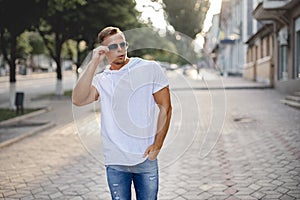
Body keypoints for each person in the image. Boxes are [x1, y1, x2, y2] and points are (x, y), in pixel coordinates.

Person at [72, 26, 172, 200]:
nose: (119, 50)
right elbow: (78, 100)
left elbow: (166, 107)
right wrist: (94, 61)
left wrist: (158, 145)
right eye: (113, 47)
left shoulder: (149, 68)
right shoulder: (102, 79)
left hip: (145, 158)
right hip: (115, 161)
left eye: (122, 44)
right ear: (104, 51)